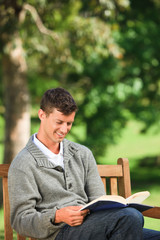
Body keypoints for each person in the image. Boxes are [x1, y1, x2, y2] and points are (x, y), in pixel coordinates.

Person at [8, 87, 160, 240]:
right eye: (59, 122)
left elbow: (98, 199)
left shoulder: (82, 154)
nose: (64, 129)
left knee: (136, 222)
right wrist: (57, 216)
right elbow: (20, 220)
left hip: (94, 227)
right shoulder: (23, 164)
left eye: (69, 123)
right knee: (130, 217)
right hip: (58, 233)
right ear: (42, 114)